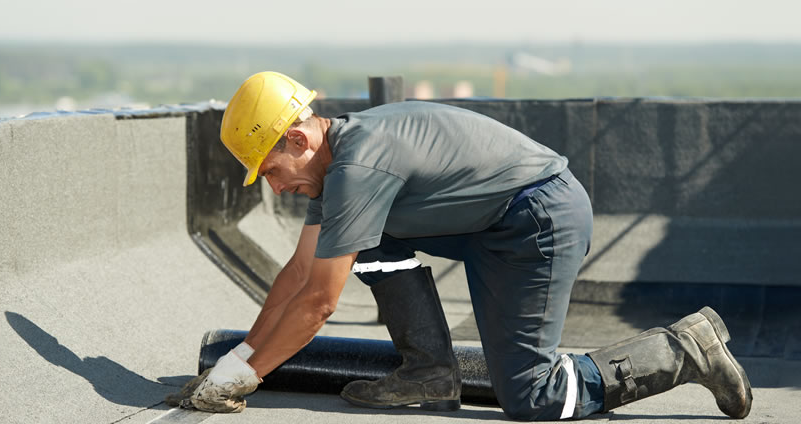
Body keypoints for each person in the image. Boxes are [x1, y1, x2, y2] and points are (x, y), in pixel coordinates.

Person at [168, 71, 753, 420]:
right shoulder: (336, 168)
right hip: (492, 222)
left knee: (532, 396)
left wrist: (244, 379)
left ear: (298, 136)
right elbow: (298, 275)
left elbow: (319, 303)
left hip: (538, 220)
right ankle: (430, 370)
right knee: (357, 242)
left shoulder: (359, 164)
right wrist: (239, 358)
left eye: (272, 170)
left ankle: (681, 350)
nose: (276, 187)